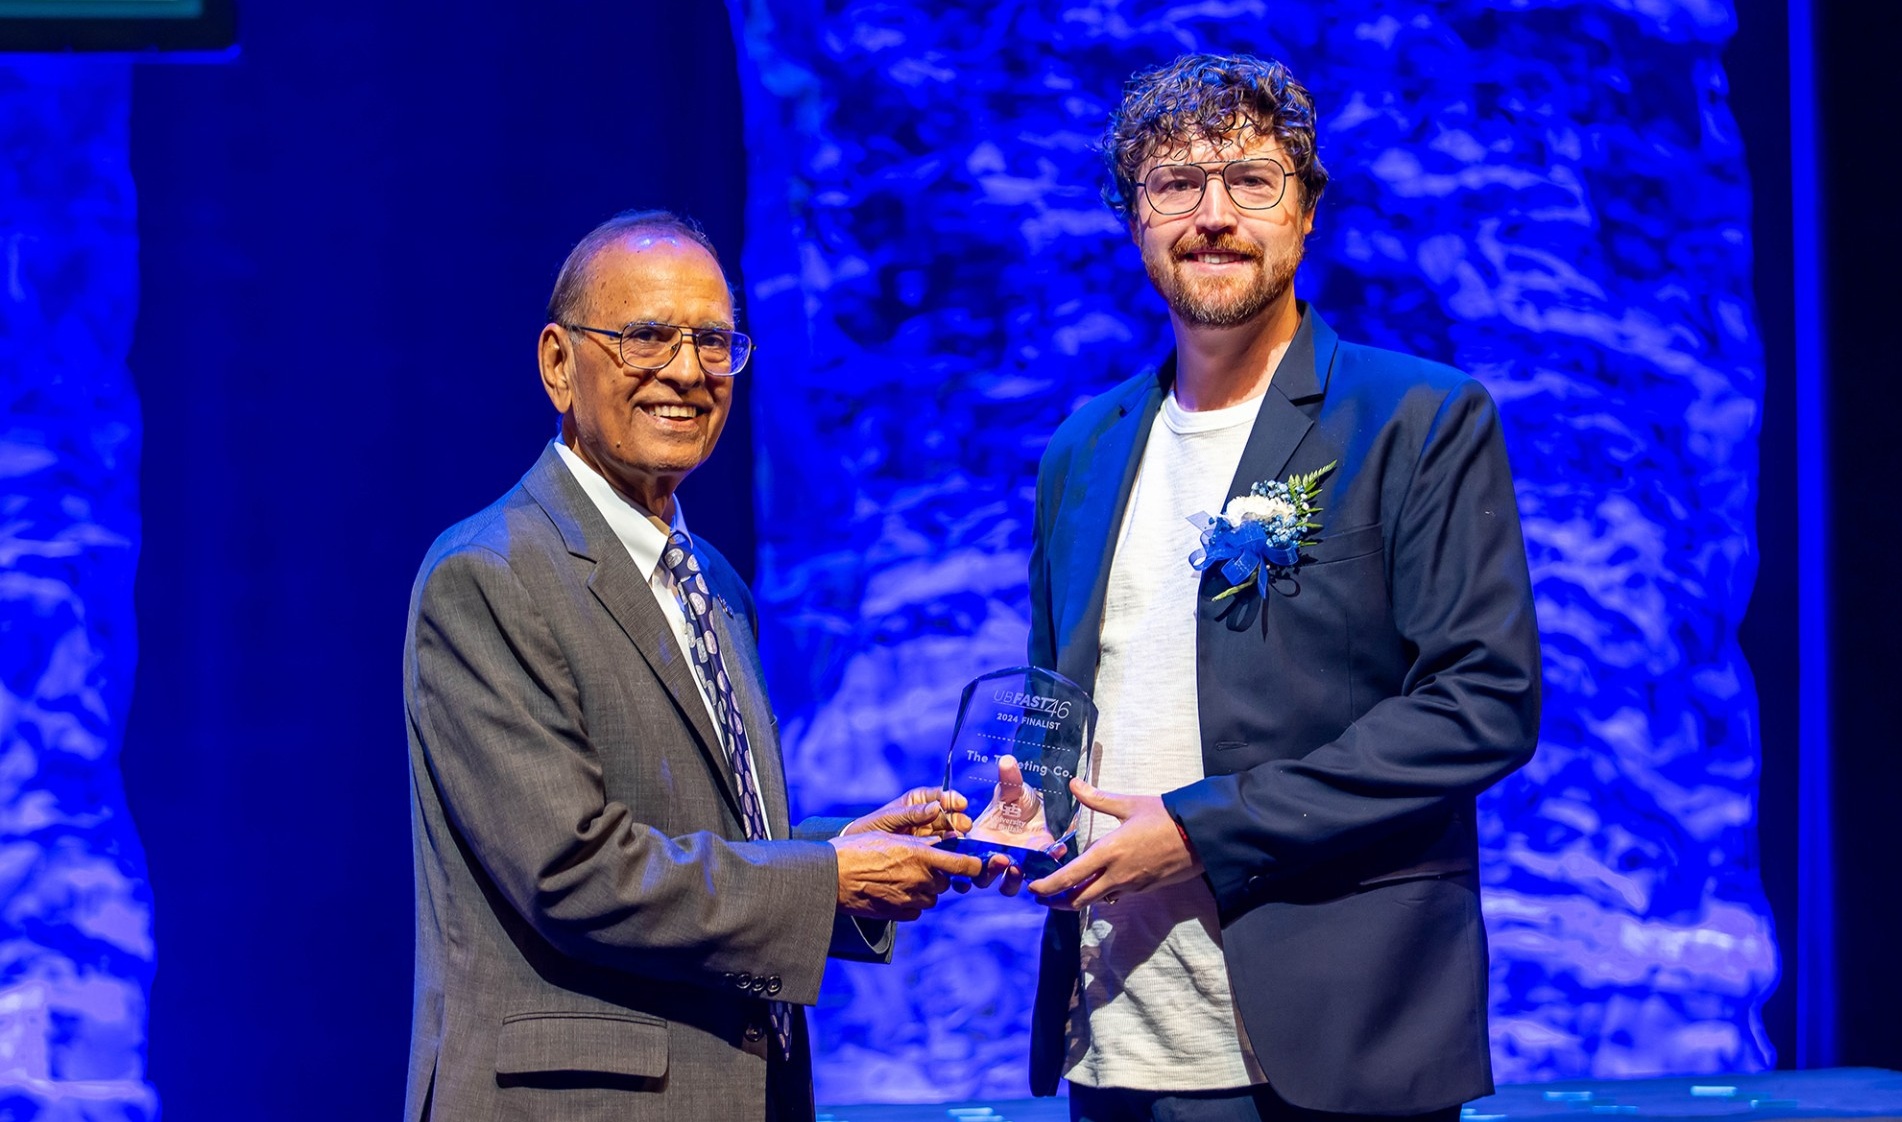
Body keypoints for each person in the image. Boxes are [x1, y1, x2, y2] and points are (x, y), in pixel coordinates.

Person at [1018, 54, 1543, 1121]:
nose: (1214, 215)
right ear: (1134, 221)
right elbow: (1062, 702)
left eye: (1252, 181)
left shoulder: (1417, 418)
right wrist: (1020, 805)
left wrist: (1206, 826)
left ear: (1305, 214)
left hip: (1333, 1044)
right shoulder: (1083, 447)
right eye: (1175, 185)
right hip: (1115, 1041)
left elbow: (1481, 707)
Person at [402, 210, 984, 1122]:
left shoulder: (713, 582)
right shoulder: (489, 573)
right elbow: (574, 872)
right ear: (560, 363)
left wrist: (852, 848)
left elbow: (706, 833)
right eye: (646, 337)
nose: (685, 371)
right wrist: (829, 879)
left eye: (713, 341)